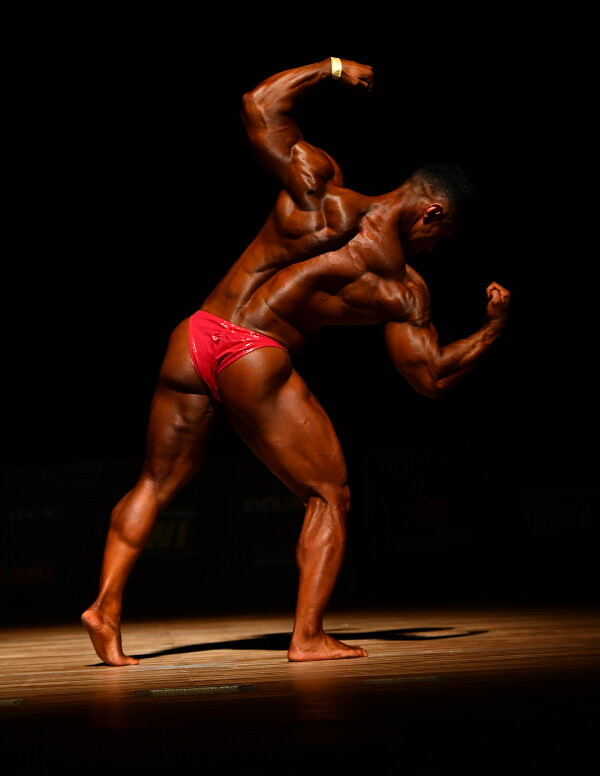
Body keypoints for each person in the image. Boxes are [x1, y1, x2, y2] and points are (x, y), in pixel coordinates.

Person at [82, 58, 510, 666]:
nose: (435, 249)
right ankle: (307, 637)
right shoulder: (403, 288)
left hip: (196, 334)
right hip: (253, 355)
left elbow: (258, 104)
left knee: (156, 481)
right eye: (441, 238)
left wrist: (333, 68)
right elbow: (431, 376)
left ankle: (105, 608)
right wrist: (494, 329)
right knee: (329, 494)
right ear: (431, 213)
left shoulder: (318, 191)